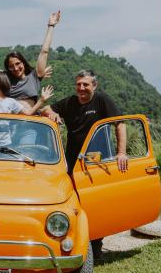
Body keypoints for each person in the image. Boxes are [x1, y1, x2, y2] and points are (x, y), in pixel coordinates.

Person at [41, 69, 127, 261]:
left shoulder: (102, 101)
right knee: (75, 202)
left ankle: (96, 246)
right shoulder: (70, 102)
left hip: (98, 163)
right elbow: (45, 108)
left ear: (94, 86)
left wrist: (121, 153)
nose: (81, 88)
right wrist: (53, 113)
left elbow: (120, 124)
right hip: (73, 163)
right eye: (79, 84)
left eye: (86, 84)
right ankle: (70, 241)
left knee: (96, 204)